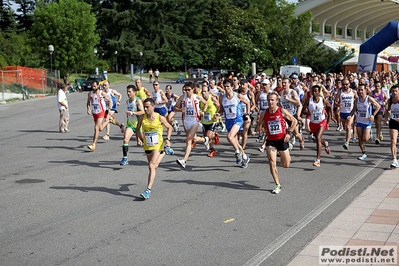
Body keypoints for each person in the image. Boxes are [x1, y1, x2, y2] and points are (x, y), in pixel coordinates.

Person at [258, 91, 298, 194]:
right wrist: (259, 129)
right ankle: (277, 184)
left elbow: (294, 121)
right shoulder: (264, 113)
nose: (270, 102)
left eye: (272, 100)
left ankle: (286, 154)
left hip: (282, 140)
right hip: (271, 141)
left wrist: (289, 133)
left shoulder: (282, 111)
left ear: (277, 101)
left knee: (286, 165)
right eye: (269, 100)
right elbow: (259, 125)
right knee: (272, 162)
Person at [136, 98, 173, 199]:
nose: (145, 108)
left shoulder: (159, 117)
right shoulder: (141, 117)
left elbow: (169, 127)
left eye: (147, 107)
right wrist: (140, 139)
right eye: (144, 106)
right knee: (153, 165)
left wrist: (168, 139)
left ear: (153, 107)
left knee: (152, 166)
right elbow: (137, 129)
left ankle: (148, 190)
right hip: (147, 145)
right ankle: (165, 151)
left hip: (158, 144)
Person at [216, 78, 251, 168]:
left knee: (229, 137)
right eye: (225, 87)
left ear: (232, 86)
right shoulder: (222, 97)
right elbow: (221, 111)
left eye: (228, 86)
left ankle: (237, 153)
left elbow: (247, 103)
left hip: (238, 119)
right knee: (234, 141)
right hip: (228, 121)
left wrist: (247, 114)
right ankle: (245, 157)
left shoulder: (237, 96)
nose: (226, 88)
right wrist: (218, 114)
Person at [174, 82, 209, 168]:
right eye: (185, 90)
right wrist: (180, 110)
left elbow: (206, 103)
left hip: (195, 121)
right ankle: (205, 140)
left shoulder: (197, 97)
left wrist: (203, 111)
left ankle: (184, 160)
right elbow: (175, 107)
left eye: (188, 90)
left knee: (188, 139)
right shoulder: (182, 98)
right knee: (193, 138)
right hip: (186, 121)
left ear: (193, 89)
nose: (186, 91)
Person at [302, 85, 335, 167]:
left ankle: (318, 160)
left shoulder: (322, 100)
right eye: (313, 91)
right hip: (313, 123)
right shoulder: (309, 100)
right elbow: (302, 111)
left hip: (322, 121)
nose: (314, 93)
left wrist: (330, 117)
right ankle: (326, 144)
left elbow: (329, 107)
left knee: (318, 138)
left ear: (319, 92)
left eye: (316, 91)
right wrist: (308, 113)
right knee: (319, 138)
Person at [348, 84, 380, 161]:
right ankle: (364, 153)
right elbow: (354, 109)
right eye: (359, 90)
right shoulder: (356, 100)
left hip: (367, 121)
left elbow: (378, 106)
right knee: (360, 138)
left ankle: (370, 134)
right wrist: (350, 115)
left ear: (365, 90)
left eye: (362, 89)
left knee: (365, 138)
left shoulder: (369, 99)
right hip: (359, 121)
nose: (360, 91)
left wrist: (373, 115)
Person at [120, 85, 145, 165]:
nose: (128, 93)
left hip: (138, 125)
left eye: (130, 92)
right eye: (127, 92)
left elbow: (142, 112)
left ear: (134, 92)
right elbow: (130, 111)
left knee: (145, 142)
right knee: (125, 139)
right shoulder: (127, 101)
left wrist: (133, 113)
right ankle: (125, 158)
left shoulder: (138, 101)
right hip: (130, 125)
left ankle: (153, 153)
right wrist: (128, 114)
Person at [86, 81, 112, 151]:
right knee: (100, 128)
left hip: (101, 112)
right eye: (92, 86)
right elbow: (88, 103)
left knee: (96, 127)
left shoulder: (102, 93)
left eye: (94, 86)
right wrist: (88, 109)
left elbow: (109, 100)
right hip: (94, 113)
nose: (93, 87)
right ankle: (109, 120)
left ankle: (93, 144)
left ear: (98, 86)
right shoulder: (90, 94)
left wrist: (109, 109)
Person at [335, 78, 358, 150]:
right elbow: (335, 101)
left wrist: (356, 107)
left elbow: (358, 100)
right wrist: (339, 105)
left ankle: (347, 142)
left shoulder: (353, 92)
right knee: (345, 128)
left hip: (350, 112)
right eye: (344, 84)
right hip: (343, 112)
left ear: (349, 84)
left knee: (348, 126)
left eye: (347, 84)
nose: (345, 86)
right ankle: (349, 133)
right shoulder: (340, 91)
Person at [200, 85, 220, 157]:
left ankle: (212, 149)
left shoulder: (211, 98)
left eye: (205, 91)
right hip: (204, 121)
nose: (203, 93)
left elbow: (219, 106)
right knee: (206, 137)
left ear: (208, 92)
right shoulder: (201, 100)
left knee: (208, 137)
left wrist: (216, 114)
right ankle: (212, 148)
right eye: (202, 91)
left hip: (212, 120)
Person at [384, 84, 399, 168]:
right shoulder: (390, 101)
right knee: (393, 140)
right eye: (393, 91)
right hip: (393, 122)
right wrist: (386, 118)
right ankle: (394, 159)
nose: (394, 93)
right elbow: (388, 110)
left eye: (396, 91)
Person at [371, 80, 388, 144]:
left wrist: (385, 102)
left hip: (381, 109)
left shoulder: (382, 92)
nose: (377, 87)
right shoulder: (372, 93)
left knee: (378, 122)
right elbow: (368, 99)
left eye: (378, 86)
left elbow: (387, 98)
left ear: (380, 86)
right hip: (374, 110)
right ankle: (380, 132)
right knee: (376, 124)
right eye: (376, 86)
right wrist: (372, 100)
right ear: (374, 86)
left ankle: (377, 138)